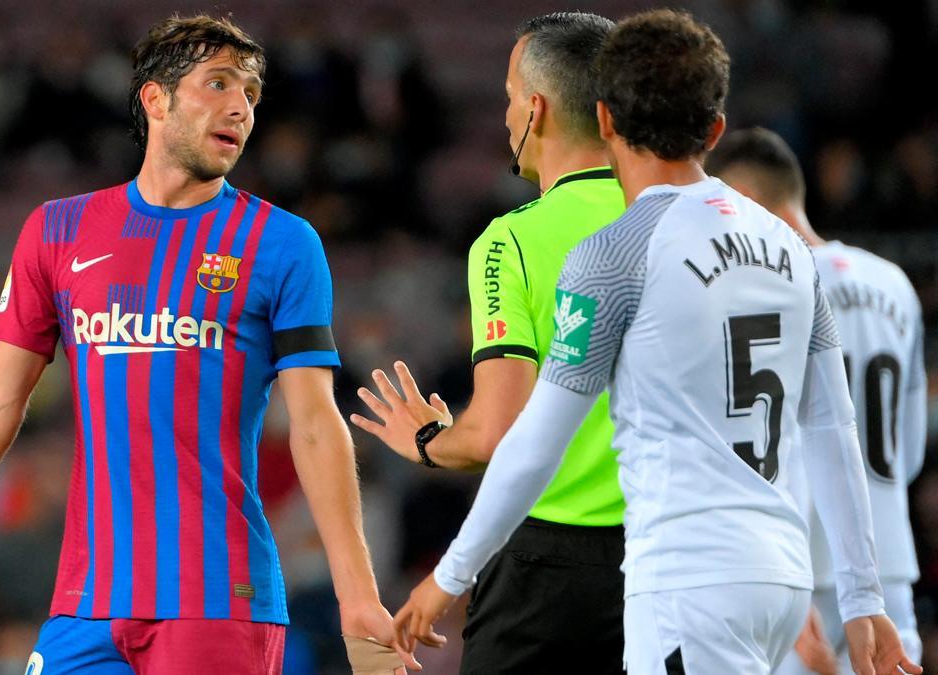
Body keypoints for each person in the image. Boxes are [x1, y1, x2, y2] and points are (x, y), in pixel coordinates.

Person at [0, 15, 415, 675]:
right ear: (154, 99)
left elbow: (313, 422)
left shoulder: (283, 243)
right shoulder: (58, 230)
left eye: (250, 92)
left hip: (220, 600)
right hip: (86, 604)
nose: (239, 107)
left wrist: (358, 593)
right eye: (218, 83)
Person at [391, 10, 921, 675]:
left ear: (606, 120)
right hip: (780, 579)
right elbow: (831, 424)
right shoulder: (785, 245)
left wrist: (449, 575)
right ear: (717, 129)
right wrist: (861, 594)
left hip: (687, 580)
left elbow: (533, 442)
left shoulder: (615, 253)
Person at [349, 12, 628, 674]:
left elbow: (496, 434)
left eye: (508, 96)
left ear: (536, 108)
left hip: (550, 567)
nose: (505, 115)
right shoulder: (673, 220)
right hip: (675, 558)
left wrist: (427, 439)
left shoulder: (512, 241)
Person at [706, 127, 927, 675]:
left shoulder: (764, 288)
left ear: (747, 201)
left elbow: (753, 442)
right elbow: (912, 445)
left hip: (795, 568)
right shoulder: (894, 283)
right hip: (888, 570)